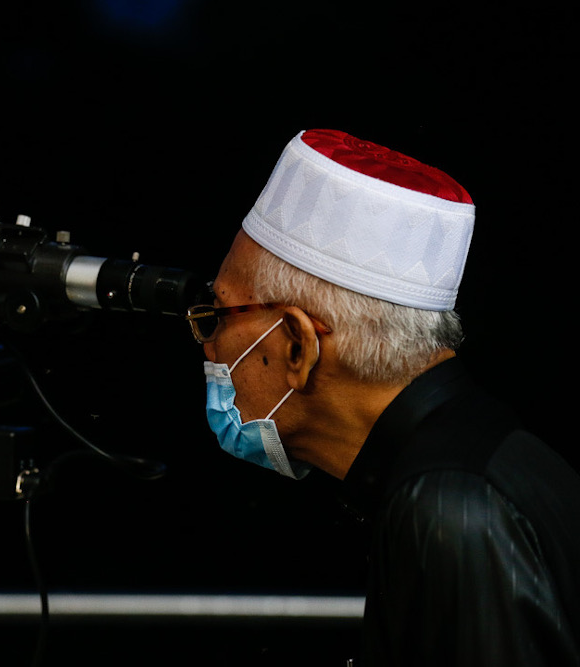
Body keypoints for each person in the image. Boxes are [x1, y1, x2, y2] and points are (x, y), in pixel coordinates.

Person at [188, 128, 580, 666]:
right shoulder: (479, 459)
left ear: (299, 347)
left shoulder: (450, 508)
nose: (206, 342)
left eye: (219, 312)